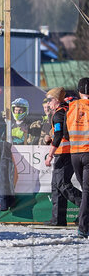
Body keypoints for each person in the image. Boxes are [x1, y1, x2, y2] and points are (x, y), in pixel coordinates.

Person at [42, 88, 80, 227]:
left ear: (57, 100)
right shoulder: (65, 110)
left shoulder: (59, 114)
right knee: (56, 186)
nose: (47, 103)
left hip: (64, 152)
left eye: (49, 100)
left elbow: (58, 136)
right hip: (66, 152)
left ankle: (85, 207)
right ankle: (57, 219)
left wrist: (50, 155)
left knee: (62, 184)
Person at [63, 78, 89, 236]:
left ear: (79, 91)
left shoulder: (71, 107)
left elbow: (65, 133)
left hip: (75, 154)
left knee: (86, 190)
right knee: (87, 191)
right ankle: (83, 227)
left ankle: (84, 223)